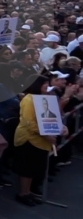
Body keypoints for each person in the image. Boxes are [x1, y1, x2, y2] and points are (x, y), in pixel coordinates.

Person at [14, 75, 69, 206]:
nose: (46, 85)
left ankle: (28, 192)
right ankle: (23, 193)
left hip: (40, 141)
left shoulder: (44, 99)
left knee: (34, 168)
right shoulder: (28, 99)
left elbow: (51, 117)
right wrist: (47, 136)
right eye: (44, 83)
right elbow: (29, 123)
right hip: (29, 139)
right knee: (27, 168)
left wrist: (61, 127)